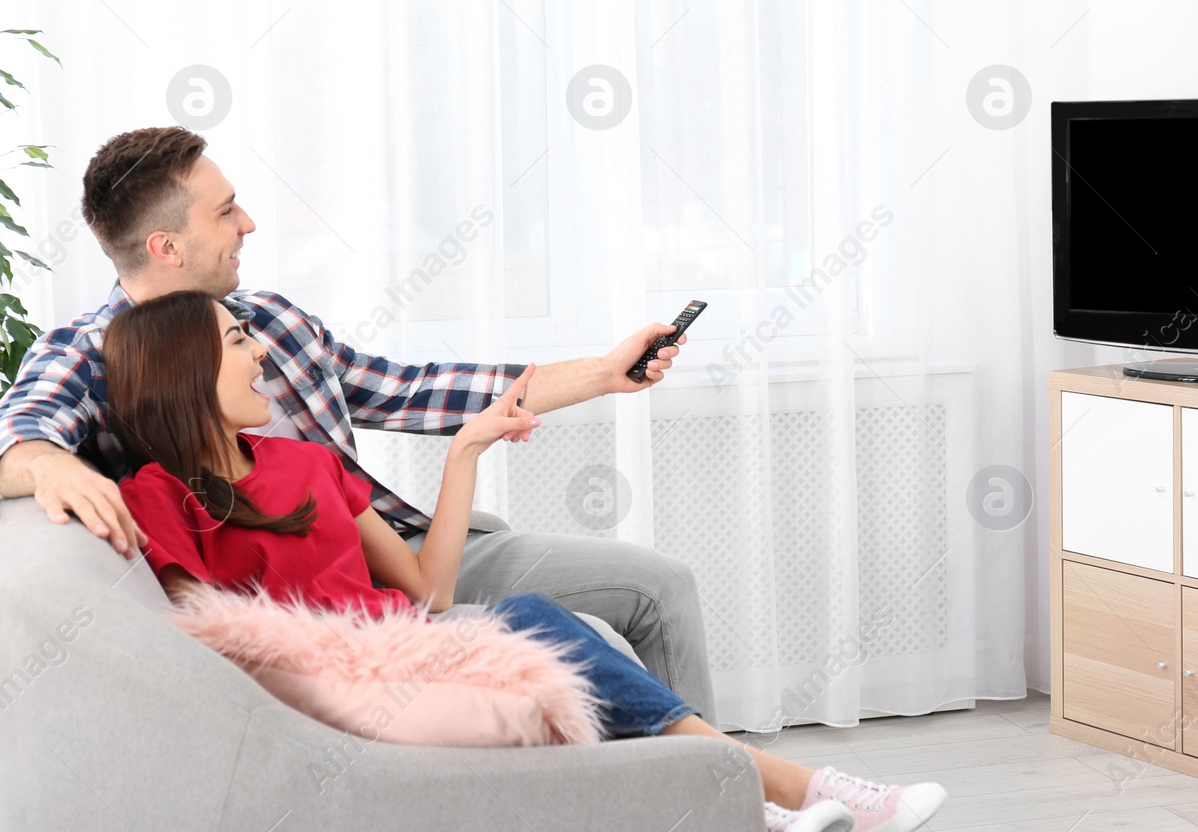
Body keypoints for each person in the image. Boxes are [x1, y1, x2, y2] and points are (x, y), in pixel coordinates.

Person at [104, 290, 947, 832]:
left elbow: (429, 589)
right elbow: (208, 640)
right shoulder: (151, 495)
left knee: (559, 632)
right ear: (183, 369)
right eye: (237, 339)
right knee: (544, 623)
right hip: (349, 687)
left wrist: (466, 452)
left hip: (420, 644)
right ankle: (781, 789)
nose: (261, 352)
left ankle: (757, 797)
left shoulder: (308, 464)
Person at [0, 126, 715, 718]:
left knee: (660, 584)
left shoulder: (273, 319)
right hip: (329, 612)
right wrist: (50, 461)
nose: (248, 223)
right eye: (225, 211)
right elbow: (18, 438)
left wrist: (604, 371)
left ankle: (712, 792)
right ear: (166, 246)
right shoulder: (89, 353)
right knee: (579, 639)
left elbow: (415, 391)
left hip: (404, 549)